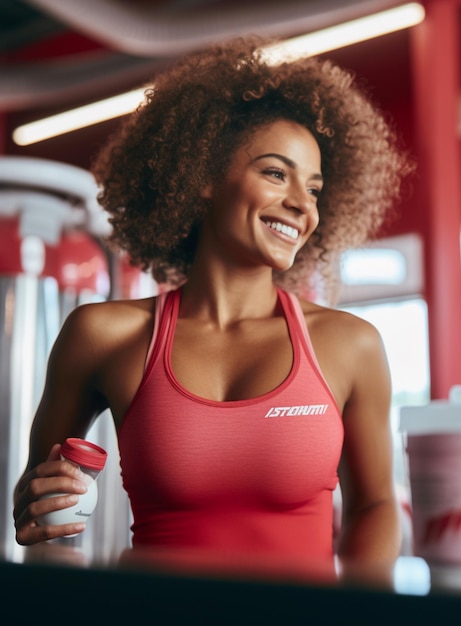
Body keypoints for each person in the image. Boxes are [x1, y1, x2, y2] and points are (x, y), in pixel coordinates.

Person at [12, 35, 413, 586]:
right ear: (201, 176)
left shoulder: (350, 346)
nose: (302, 204)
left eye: (314, 189)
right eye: (276, 173)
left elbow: (375, 507)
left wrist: (360, 607)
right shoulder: (103, 336)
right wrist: (39, 504)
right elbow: (32, 505)